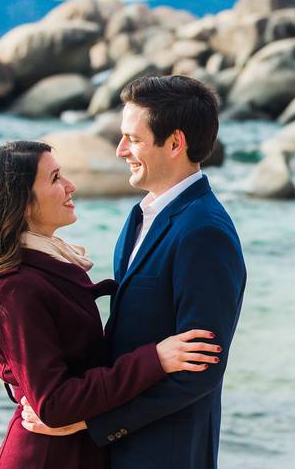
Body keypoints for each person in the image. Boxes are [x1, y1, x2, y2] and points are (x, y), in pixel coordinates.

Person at [21, 76, 247, 469]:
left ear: (175, 143)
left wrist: (91, 421)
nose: (121, 150)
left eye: (134, 139)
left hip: (167, 451)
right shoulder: (141, 214)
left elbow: (201, 371)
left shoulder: (205, 232)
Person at [0, 140, 221, 468]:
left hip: (76, 451)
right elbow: (52, 404)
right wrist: (155, 359)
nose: (70, 186)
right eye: (54, 179)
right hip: (48, 457)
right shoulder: (15, 287)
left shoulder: (47, 263)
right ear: (21, 202)